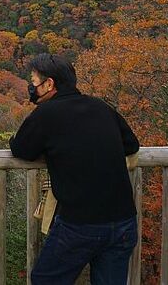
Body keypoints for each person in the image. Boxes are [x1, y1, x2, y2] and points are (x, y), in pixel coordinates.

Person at [10, 53, 140, 284]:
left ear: (49, 84)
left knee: (44, 279)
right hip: (123, 221)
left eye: (34, 81)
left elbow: (21, 149)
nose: (32, 87)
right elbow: (131, 145)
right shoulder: (101, 107)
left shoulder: (46, 115)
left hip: (79, 224)